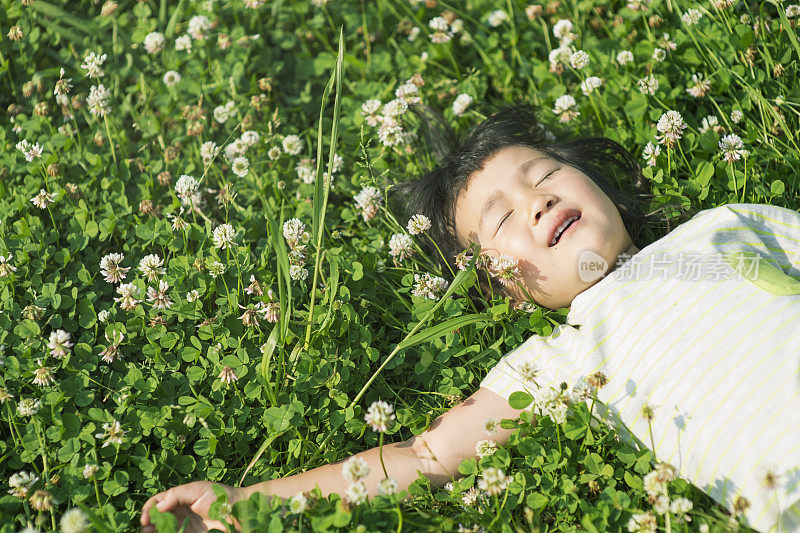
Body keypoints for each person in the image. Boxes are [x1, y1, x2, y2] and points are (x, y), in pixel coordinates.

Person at [140, 105, 800, 532]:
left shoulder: (725, 226)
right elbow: (422, 455)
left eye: (546, 174)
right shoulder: (564, 359)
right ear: (507, 289)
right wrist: (248, 502)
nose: (537, 201)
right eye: (504, 218)